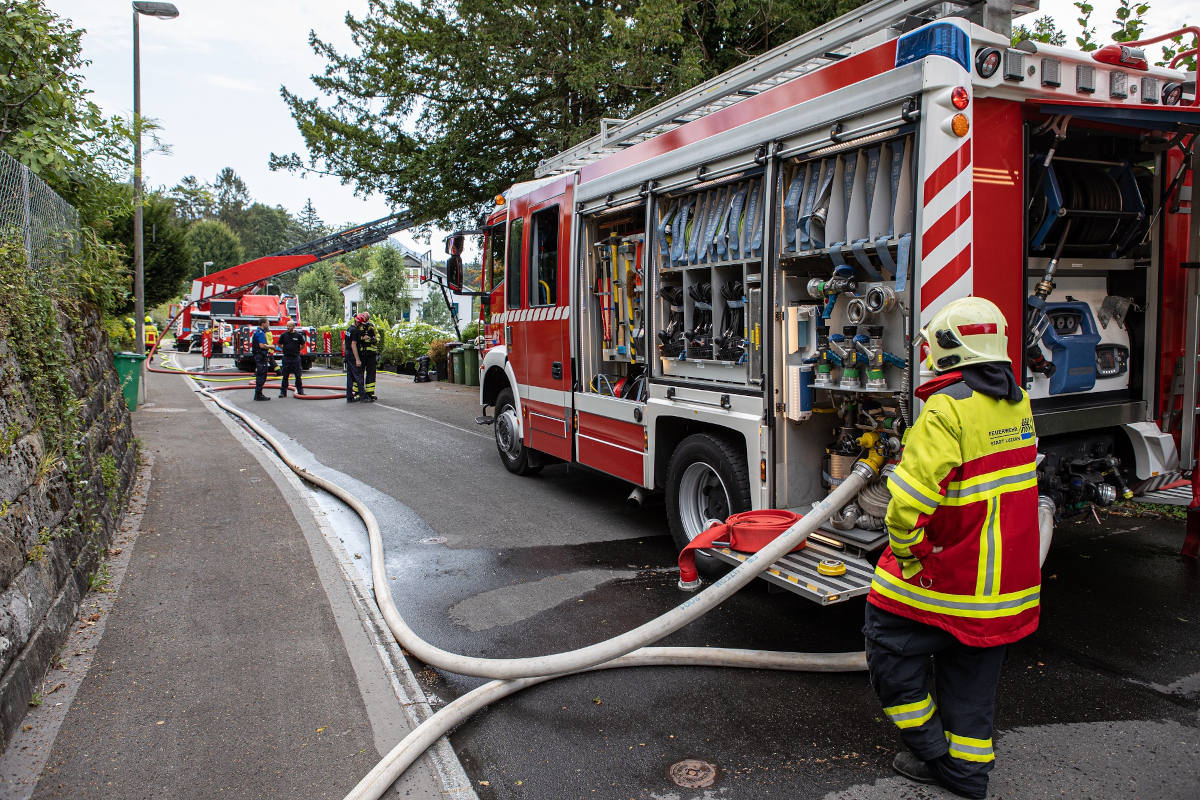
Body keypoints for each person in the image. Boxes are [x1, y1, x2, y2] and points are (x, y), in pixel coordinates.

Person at [864, 297, 1040, 800]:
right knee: (971, 674)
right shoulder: (1017, 401)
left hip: (955, 575)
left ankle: (928, 748)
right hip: (1005, 585)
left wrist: (910, 553)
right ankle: (966, 773)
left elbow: (906, 506)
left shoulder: (947, 409)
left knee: (886, 638)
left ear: (946, 347)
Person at [277, 320, 306, 397]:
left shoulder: (298, 336)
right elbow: (279, 344)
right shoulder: (283, 335)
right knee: (285, 376)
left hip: (296, 358)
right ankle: (283, 392)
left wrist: (297, 349)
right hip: (286, 358)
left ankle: (300, 391)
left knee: (298, 376)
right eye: (287, 326)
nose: (288, 327)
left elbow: (303, 345)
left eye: (290, 326)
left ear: (293, 326)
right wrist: (285, 349)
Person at [344, 314, 368, 403]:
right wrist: (357, 359)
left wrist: (361, 338)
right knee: (358, 376)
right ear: (358, 322)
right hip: (353, 355)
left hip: (348, 354)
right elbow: (353, 345)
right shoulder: (354, 331)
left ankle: (349, 397)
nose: (362, 326)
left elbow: (345, 342)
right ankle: (363, 397)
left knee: (350, 376)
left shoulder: (349, 329)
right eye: (361, 324)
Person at [250, 317, 274, 401]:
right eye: (268, 323)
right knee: (262, 375)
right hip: (260, 356)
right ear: (263, 323)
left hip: (260, 356)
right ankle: (258, 395)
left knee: (261, 375)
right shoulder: (260, 333)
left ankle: (259, 394)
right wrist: (271, 346)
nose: (269, 324)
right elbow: (262, 345)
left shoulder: (258, 332)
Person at [359, 312, 380, 401]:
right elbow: (354, 338)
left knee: (371, 374)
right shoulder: (358, 326)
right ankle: (358, 393)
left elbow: (378, 337)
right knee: (359, 374)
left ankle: (369, 393)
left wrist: (374, 339)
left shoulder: (372, 326)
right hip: (361, 354)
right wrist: (362, 338)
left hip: (371, 354)